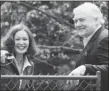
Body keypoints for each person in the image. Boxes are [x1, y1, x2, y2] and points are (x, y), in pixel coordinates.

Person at [0, 24, 57, 90]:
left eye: (25, 39)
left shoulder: (30, 66)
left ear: (29, 43)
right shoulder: (3, 59)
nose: (21, 43)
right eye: (17, 39)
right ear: (12, 41)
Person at [67, 2, 108, 91]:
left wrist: (85, 68)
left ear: (96, 20)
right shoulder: (93, 38)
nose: (77, 24)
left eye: (82, 20)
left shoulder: (104, 38)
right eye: (76, 21)